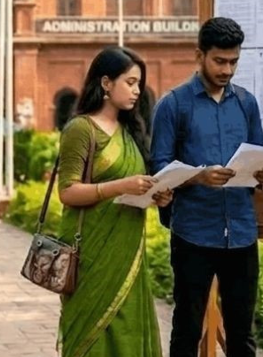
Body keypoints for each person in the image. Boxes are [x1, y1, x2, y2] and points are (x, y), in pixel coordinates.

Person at [149, 17, 263, 357]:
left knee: (242, 334)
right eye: (219, 61)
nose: (227, 70)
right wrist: (199, 176)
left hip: (241, 231)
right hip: (193, 233)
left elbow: (259, 156)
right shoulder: (173, 105)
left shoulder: (246, 103)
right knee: (187, 329)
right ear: (199, 55)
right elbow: (159, 169)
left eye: (233, 61)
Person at [56, 46, 172, 357]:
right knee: (92, 337)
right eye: (130, 82)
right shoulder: (81, 129)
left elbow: (134, 190)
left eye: (139, 84)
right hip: (90, 254)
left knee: (129, 329)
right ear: (106, 83)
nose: (137, 91)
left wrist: (155, 195)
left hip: (128, 249)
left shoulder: (131, 131)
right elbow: (67, 191)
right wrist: (120, 186)